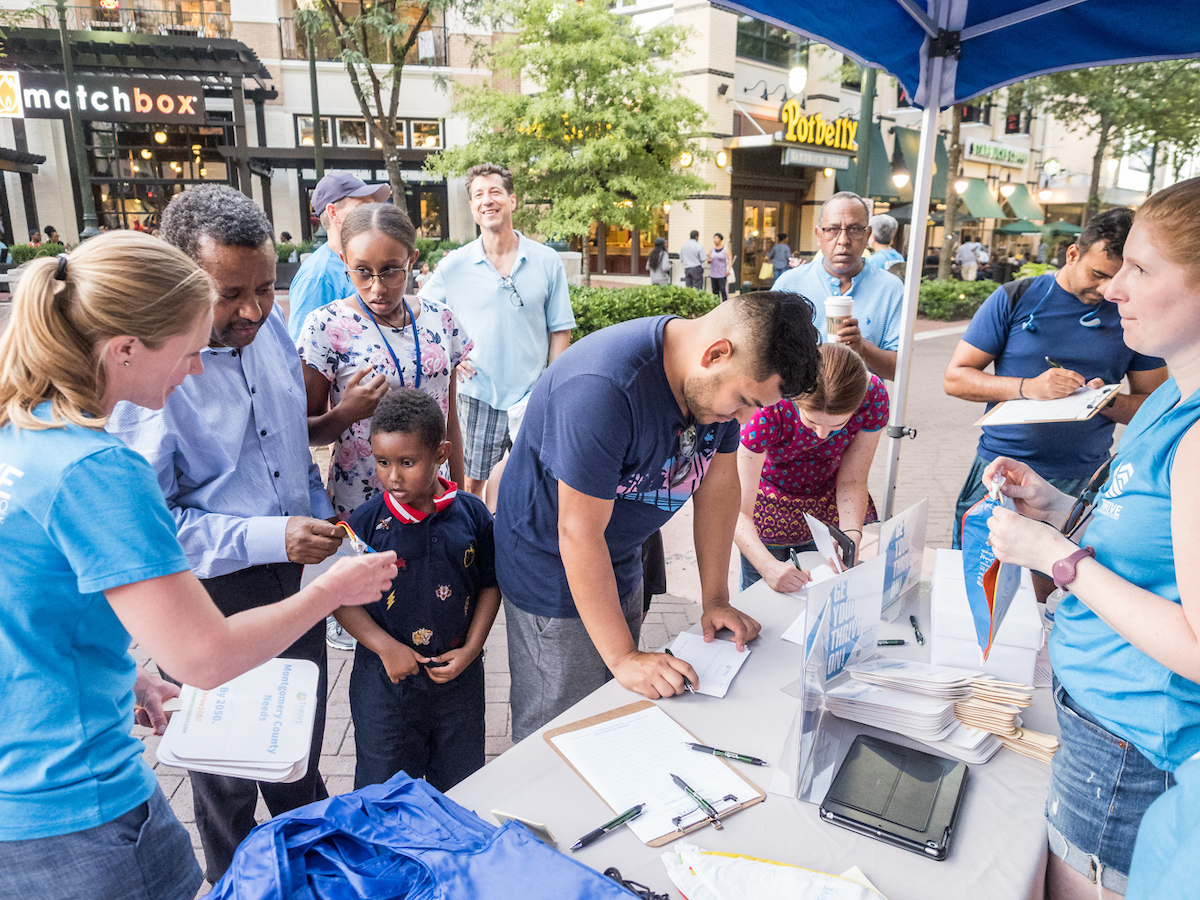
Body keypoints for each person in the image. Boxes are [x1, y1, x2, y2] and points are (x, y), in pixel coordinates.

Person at [0, 232, 395, 900]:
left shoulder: (24, 430)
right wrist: (331, 590)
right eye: (187, 354)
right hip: (77, 804)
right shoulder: (99, 469)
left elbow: (32, 604)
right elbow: (208, 659)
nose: (194, 373)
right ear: (125, 350)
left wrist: (122, 679)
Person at [106, 185, 353, 885]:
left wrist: (314, 513)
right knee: (226, 781)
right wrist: (273, 536)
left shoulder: (267, 327)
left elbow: (286, 448)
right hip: (210, 595)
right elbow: (152, 527)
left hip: (294, 576)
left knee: (298, 751)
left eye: (265, 288)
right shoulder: (148, 381)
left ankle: (315, 879)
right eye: (230, 293)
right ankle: (236, 883)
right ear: (180, 280)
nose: (251, 310)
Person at [983, 177, 1200, 899]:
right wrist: (1057, 510)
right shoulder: (1168, 394)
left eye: (1142, 270)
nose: (1115, 291)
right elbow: (1145, 542)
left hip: (1134, 746)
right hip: (1103, 722)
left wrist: (1057, 559)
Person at [496, 291, 822, 741]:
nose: (744, 420)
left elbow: (719, 486)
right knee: (561, 728)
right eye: (745, 401)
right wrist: (624, 657)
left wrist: (716, 600)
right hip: (551, 566)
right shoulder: (603, 388)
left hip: (618, 553)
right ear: (716, 353)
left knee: (611, 706)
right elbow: (576, 534)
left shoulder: (713, 385)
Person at [944, 207, 1167, 549]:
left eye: (1118, 277)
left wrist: (1103, 402)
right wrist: (1028, 388)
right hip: (1000, 471)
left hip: (1081, 479)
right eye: (1097, 274)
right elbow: (955, 379)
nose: (1107, 289)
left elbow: (1155, 407)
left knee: (1062, 591)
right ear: (1073, 253)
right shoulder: (1015, 297)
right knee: (974, 584)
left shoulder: (1133, 314)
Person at [337, 388, 500, 792]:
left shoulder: (472, 514)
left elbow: (490, 584)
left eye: (407, 463)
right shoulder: (366, 523)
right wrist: (385, 647)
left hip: (457, 682)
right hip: (385, 684)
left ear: (441, 453)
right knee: (385, 795)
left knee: (459, 790)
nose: (393, 476)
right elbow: (339, 599)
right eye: (383, 462)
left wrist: (471, 650)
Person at [298, 203, 470, 516]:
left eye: (391, 270)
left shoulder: (442, 320)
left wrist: (461, 502)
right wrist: (345, 413)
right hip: (363, 509)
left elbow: (450, 421)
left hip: (434, 502)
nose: (377, 287)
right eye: (362, 271)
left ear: (412, 260)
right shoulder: (325, 326)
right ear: (344, 261)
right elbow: (304, 432)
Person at [419, 163, 574, 503]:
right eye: (478, 195)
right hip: (478, 395)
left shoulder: (547, 261)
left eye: (495, 192)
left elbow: (560, 329)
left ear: (512, 200)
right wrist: (450, 357)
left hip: (534, 396)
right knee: (473, 484)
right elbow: (420, 314)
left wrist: (551, 385)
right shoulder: (454, 265)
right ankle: (477, 552)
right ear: (473, 207)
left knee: (541, 480)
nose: (487, 200)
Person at [735, 343, 888, 591]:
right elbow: (738, 509)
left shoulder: (874, 397)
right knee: (761, 600)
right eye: (812, 420)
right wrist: (766, 566)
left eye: (837, 425)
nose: (821, 434)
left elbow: (852, 480)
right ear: (795, 399)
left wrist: (851, 533)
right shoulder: (768, 404)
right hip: (764, 513)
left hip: (823, 517)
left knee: (821, 596)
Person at [772, 191, 904, 380]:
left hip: (864, 407)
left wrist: (862, 348)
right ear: (819, 235)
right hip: (797, 407)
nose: (843, 240)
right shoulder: (789, 284)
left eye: (855, 229)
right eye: (833, 229)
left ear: (867, 235)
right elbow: (768, 356)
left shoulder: (890, 289)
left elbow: (897, 370)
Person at [287, 171, 390, 343]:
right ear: (333, 213)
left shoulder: (365, 261)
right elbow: (302, 352)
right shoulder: (318, 276)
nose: (373, 214)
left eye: (373, 207)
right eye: (363, 208)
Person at [708, 233, 732, 302]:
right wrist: (709, 260)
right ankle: (716, 304)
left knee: (722, 289)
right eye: (714, 238)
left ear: (720, 240)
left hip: (722, 273)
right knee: (715, 290)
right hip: (713, 273)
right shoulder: (712, 249)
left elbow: (730, 259)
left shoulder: (725, 248)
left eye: (717, 238)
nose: (715, 240)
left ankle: (725, 303)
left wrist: (728, 269)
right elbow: (709, 258)